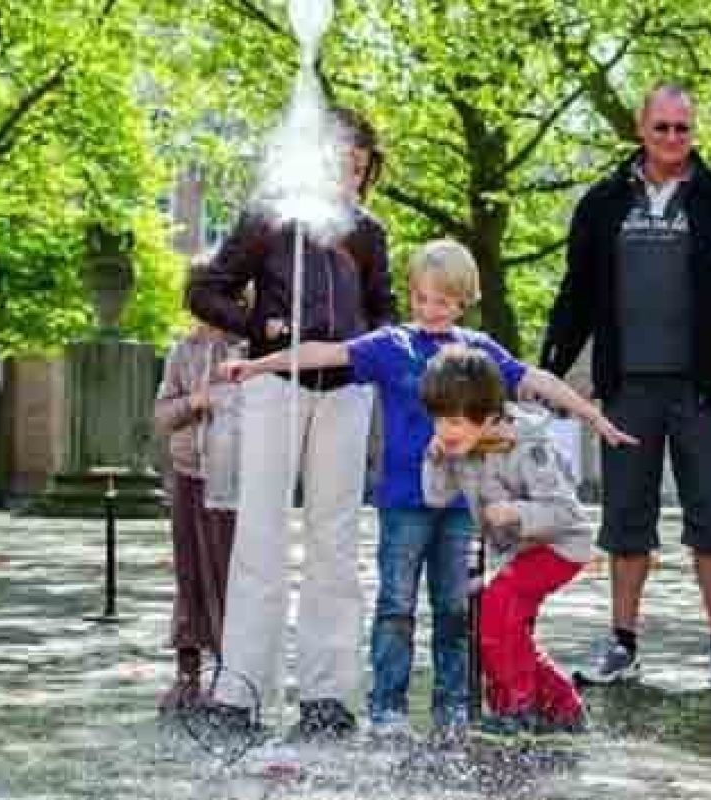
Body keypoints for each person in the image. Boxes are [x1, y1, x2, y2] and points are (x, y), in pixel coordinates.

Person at [221, 239, 633, 741]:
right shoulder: (391, 345)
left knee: (456, 608)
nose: (429, 311)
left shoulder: (478, 352)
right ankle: (388, 706)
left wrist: (592, 416)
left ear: (463, 301)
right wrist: (259, 365)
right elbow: (325, 352)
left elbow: (537, 379)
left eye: (442, 302)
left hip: (463, 505)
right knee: (395, 604)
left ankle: (453, 705)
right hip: (403, 503)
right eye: (420, 298)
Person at [540, 82, 711, 691]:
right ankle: (622, 643)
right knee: (626, 517)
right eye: (663, 127)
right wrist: (551, 368)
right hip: (628, 388)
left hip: (703, 389)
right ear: (641, 130)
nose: (674, 138)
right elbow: (576, 294)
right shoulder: (602, 203)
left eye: (683, 128)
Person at [189, 108, 395, 738]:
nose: (350, 177)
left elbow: (383, 307)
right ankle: (241, 689)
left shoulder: (367, 231)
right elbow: (204, 290)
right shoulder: (270, 217)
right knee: (260, 535)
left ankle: (328, 693)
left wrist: (373, 346)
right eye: (340, 162)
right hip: (274, 385)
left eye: (360, 168)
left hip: (346, 392)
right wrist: (260, 327)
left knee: (335, 541)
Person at [420, 346, 592, 739]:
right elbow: (436, 497)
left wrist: (516, 511)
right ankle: (563, 709)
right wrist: (435, 459)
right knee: (505, 627)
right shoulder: (461, 443)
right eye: (439, 420)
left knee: (498, 607)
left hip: (560, 547)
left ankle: (517, 709)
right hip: (518, 551)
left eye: (455, 421)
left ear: (490, 416)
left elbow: (567, 515)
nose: (445, 430)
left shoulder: (529, 448)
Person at [151, 263, 244, 713]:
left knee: (226, 571)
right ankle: (187, 670)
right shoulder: (181, 352)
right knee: (188, 571)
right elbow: (163, 414)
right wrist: (195, 402)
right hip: (188, 473)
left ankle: (231, 668)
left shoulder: (248, 349)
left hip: (234, 479)